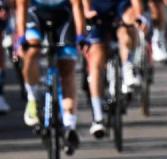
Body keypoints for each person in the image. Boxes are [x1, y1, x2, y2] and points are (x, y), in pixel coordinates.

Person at [16, 0, 85, 150]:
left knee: (67, 68)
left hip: (63, 16)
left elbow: (77, 5)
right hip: (35, 14)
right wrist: (21, 38)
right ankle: (32, 98)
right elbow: (21, 5)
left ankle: (69, 124)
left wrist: (80, 36)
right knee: (32, 51)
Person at [83, 0, 147, 138]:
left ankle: (127, 69)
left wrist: (139, 16)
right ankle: (98, 116)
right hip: (96, 10)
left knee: (128, 26)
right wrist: (87, 11)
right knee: (96, 61)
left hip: (119, 7)